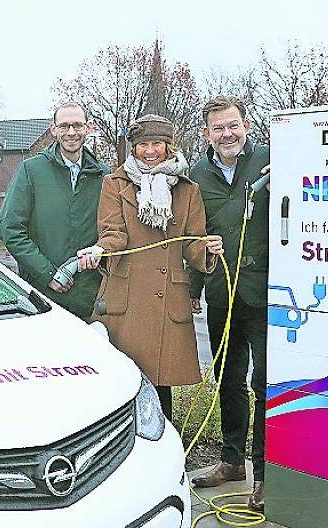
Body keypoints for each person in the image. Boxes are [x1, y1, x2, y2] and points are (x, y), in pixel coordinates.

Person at [76, 114, 222, 422]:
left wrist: (206, 250)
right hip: (126, 296)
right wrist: (101, 249)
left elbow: (192, 242)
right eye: (143, 144)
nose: (150, 151)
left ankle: (161, 444)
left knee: (160, 386)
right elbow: (113, 233)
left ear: (169, 146)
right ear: (134, 148)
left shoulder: (188, 190)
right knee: (121, 381)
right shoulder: (114, 184)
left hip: (166, 297)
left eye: (157, 143)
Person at [188, 95, 270, 512]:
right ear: (206, 133)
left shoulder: (270, 161)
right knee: (229, 378)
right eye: (218, 128)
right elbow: (191, 233)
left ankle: (266, 474)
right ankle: (232, 461)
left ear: (246, 125)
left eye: (233, 125)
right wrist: (194, 285)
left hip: (266, 292)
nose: (227, 134)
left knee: (265, 383)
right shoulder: (197, 174)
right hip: (221, 291)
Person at [0, 102, 111, 320]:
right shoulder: (31, 171)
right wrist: (47, 274)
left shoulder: (104, 176)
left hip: (89, 298)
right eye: (64, 126)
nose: (71, 132)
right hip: (43, 297)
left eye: (78, 125)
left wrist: (100, 251)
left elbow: (113, 230)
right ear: (54, 129)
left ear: (88, 128)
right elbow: (10, 228)